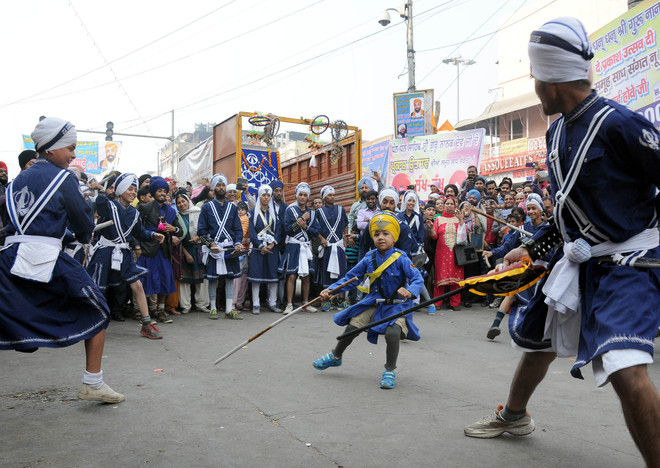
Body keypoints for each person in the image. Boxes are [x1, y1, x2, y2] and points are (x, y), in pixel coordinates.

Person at [464, 18, 660, 468]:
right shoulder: (555, 133)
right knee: (540, 341)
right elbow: (567, 209)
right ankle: (514, 416)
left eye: (535, 77)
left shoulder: (620, 124)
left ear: (550, 79)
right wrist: (531, 249)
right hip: (578, 260)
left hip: (630, 262)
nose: (534, 86)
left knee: (625, 368)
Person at [0, 117, 124, 403]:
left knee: (10, 317)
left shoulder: (18, 180)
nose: (73, 154)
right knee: (98, 307)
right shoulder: (63, 178)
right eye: (70, 147)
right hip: (44, 258)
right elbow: (83, 223)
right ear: (52, 148)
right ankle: (93, 382)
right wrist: (81, 233)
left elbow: (22, 224)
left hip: (10, 258)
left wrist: (61, 234)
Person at [312, 211, 424, 389]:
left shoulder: (401, 258)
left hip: (397, 306)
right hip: (374, 302)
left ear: (394, 237)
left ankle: (389, 370)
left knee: (392, 333)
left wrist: (409, 291)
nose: (381, 238)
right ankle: (335, 356)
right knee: (352, 327)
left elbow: (418, 279)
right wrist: (331, 290)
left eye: (385, 234)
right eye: (377, 234)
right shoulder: (369, 258)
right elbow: (351, 278)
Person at [86, 174, 164, 339]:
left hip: (123, 252)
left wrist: (153, 235)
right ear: (120, 190)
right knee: (98, 287)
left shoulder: (135, 214)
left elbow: (139, 232)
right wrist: (101, 190)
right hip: (105, 252)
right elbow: (100, 204)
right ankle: (91, 321)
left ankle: (146, 323)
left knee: (137, 285)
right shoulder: (110, 206)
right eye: (130, 189)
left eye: (135, 190)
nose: (133, 192)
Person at [136, 176, 183, 324]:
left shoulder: (171, 211)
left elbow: (180, 230)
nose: (163, 193)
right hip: (148, 249)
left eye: (165, 191)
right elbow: (136, 229)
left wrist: (173, 228)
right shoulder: (144, 207)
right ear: (153, 191)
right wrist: (137, 246)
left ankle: (161, 311)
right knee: (146, 282)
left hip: (165, 251)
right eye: (159, 190)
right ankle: (145, 313)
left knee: (164, 280)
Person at [198, 174, 244, 320]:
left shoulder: (232, 208)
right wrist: (210, 244)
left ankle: (229, 309)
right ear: (213, 188)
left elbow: (238, 230)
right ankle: (213, 308)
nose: (221, 188)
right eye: (218, 185)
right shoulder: (206, 207)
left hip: (229, 247)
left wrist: (237, 243)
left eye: (223, 185)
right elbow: (201, 231)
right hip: (214, 247)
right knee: (213, 278)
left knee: (230, 277)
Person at [279, 182, 320, 314]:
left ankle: (305, 302)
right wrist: (300, 221)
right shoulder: (290, 210)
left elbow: (316, 231)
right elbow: (287, 229)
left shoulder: (312, 213)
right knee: (291, 275)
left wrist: (305, 227)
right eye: (300, 195)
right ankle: (289, 304)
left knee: (307, 276)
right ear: (297, 196)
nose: (302, 197)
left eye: (305, 195)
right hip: (293, 245)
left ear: (308, 197)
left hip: (306, 246)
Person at [247, 185, 283, 314]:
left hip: (272, 248)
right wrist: (260, 246)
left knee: (273, 275)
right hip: (258, 249)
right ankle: (256, 304)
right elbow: (251, 232)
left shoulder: (275, 213)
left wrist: (272, 244)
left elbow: (279, 230)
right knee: (256, 275)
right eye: (264, 195)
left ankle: (272, 302)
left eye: (268, 195)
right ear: (259, 196)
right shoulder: (252, 213)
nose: (266, 198)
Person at [174, 192, 210, 314]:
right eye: (178, 203)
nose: (181, 204)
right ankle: (186, 305)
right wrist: (186, 253)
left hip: (200, 249)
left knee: (202, 279)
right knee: (185, 280)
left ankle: (202, 304)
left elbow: (205, 229)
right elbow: (178, 237)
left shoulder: (198, 212)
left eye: (183, 201)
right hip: (185, 249)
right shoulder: (177, 217)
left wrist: (198, 238)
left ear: (188, 201)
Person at [429, 196, 466, 310]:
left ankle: (455, 303)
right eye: (447, 203)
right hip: (441, 253)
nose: (449, 205)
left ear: (455, 206)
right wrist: (431, 228)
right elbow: (434, 236)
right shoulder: (438, 219)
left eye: (451, 203)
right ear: (444, 206)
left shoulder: (458, 218)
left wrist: (460, 221)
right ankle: (438, 302)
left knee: (456, 279)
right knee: (440, 277)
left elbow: (464, 236)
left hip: (456, 253)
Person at [317, 185, 349, 311]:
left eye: (333, 195)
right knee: (327, 272)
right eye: (329, 195)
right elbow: (316, 228)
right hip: (328, 247)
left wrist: (345, 242)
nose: (332, 197)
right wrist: (321, 238)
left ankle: (340, 299)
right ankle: (327, 300)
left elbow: (346, 224)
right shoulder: (319, 212)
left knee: (341, 272)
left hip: (339, 246)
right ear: (324, 197)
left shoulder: (341, 210)